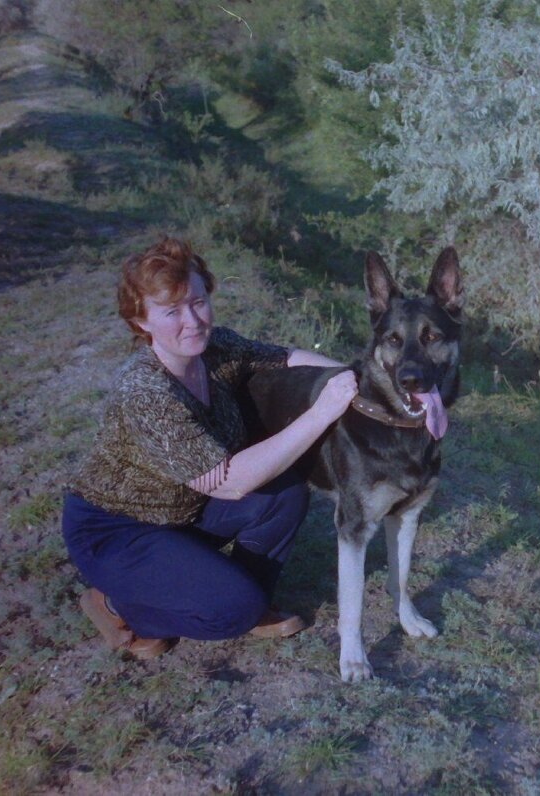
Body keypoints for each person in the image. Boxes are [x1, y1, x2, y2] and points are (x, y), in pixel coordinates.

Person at [61, 237, 357, 659]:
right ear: (141, 321)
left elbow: (284, 358)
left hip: (182, 511)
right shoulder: (146, 391)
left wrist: (358, 380)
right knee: (231, 610)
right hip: (117, 530)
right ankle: (116, 605)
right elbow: (232, 483)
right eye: (171, 311)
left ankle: (241, 594)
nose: (193, 321)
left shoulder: (216, 349)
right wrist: (322, 411)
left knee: (285, 491)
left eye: (198, 302)